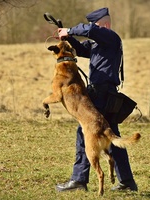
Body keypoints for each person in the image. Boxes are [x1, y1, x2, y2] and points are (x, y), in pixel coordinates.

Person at [56, 7, 138, 192]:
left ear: (104, 25)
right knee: (112, 136)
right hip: (101, 94)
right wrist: (67, 38)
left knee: (84, 134)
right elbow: (80, 48)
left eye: (95, 25)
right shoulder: (97, 45)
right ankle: (127, 182)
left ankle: (78, 180)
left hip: (102, 95)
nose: (92, 28)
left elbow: (90, 31)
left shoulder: (111, 37)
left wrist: (69, 30)